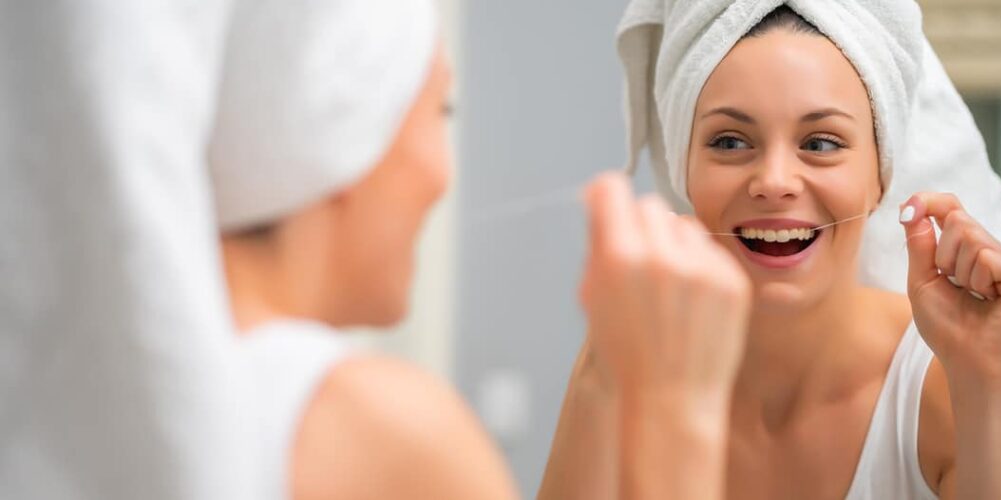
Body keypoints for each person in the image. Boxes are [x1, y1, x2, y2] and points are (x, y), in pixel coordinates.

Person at [541, 2, 1001, 499]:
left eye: (820, 143)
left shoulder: (948, 389)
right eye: (730, 141)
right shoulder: (629, 372)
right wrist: (606, 366)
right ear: (685, 172)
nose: (774, 181)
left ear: (880, 178)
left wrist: (988, 382)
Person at [210, 0, 753, 498]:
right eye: (441, 110)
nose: (442, 178)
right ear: (342, 130)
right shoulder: (384, 432)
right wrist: (677, 408)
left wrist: (609, 376)